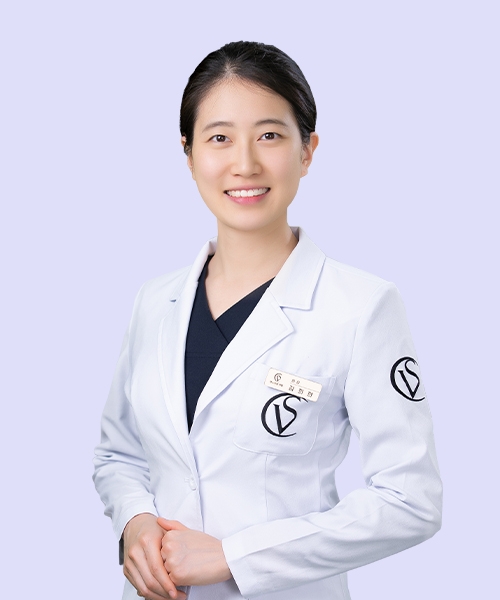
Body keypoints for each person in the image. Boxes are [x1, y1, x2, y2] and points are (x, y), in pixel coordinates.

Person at [93, 41, 442, 600]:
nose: (245, 164)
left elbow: (410, 501)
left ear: (307, 151)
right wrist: (134, 522)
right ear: (188, 154)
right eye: (219, 138)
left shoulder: (361, 306)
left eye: (270, 135)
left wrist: (234, 557)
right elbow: (119, 454)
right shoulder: (154, 302)